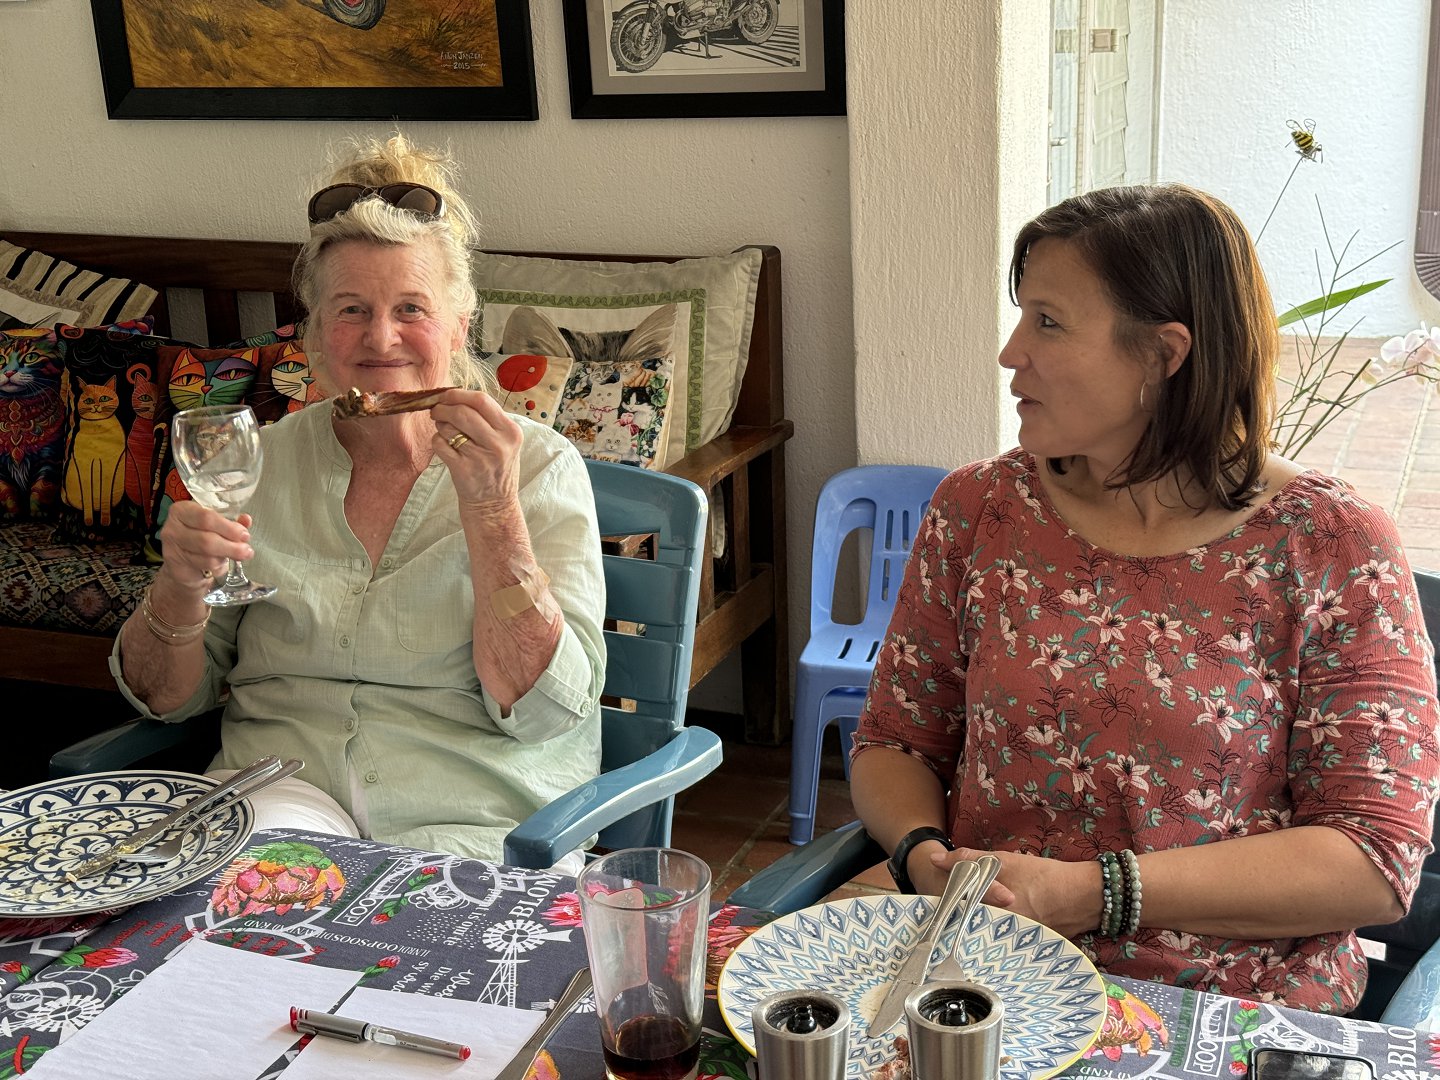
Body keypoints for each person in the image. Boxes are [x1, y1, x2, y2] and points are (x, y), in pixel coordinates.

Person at [850, 183, 1440, 1012]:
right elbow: (895, 742)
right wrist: (922, 854)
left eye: (1048, 322)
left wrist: (1095, 893)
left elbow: (1374, 859)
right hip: (983, 983)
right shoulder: (979, 509)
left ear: (1164, 355)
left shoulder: (1330, 543)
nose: (1011, 353)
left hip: (1228, 1011)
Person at [113, 134, 606, 872]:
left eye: (412, 308)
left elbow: (542, 710)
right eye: (351, 310)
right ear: (314, 332)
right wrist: (178, 587)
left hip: (470, 819)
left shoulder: (535, 468)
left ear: (458, 327)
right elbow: (165, 697)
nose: (382, 338)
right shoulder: (259, 463)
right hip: (280, 802)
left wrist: (493, 514)